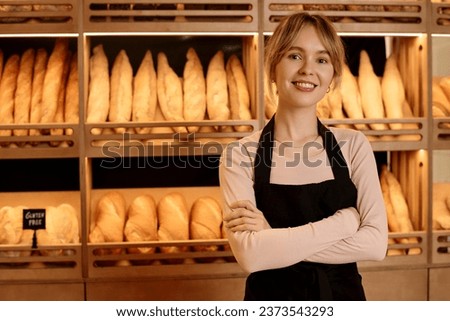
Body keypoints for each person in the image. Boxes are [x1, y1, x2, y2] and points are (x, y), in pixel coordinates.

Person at [219, 12, 388, 301]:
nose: (308, 69)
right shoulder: (240, 155)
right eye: (295, 56)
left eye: (321, 60)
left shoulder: (353, 146)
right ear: (273, 67)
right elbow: (251, 257)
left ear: (332, 76)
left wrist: (272, 236)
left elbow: (375, 245)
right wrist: (343, 224)